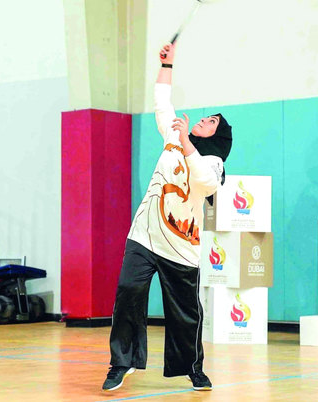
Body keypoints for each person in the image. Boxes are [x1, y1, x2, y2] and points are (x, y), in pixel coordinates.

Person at [102, 43, 233, 392]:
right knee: (128, 293)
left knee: (186, 312)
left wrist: (187, 142)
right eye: (206, 117)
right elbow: (162, 101)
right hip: (144, 235)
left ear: (218, 136)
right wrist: (168, 64)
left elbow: (205, 183)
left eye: (212, 122)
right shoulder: (174, 135)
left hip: (181, 247)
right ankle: (122, 362)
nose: (204, 119)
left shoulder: (215, 164)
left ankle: (193, 368)